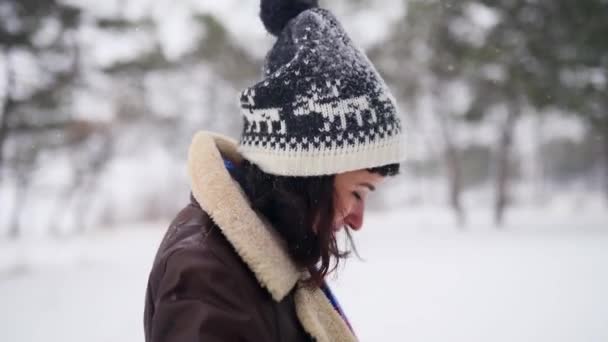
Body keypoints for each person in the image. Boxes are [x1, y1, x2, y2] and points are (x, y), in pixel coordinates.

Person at [143, 0, 406, 341]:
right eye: (357, 191)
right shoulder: (207, 278)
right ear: (310, 175)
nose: (358, 220)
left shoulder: (264, 252)